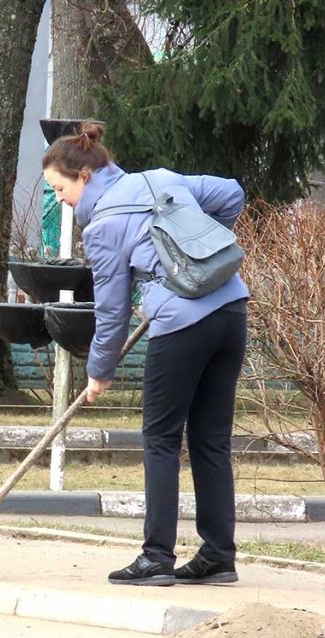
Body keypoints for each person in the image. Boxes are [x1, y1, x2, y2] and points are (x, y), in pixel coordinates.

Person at [42, 122, 248, 586]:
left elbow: (112, 310)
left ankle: (156, 557)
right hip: (231, 311)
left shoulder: (102, 227)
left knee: (160, 439)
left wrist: (99, 371)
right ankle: (218, 556)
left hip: (182, 326)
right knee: (210, 440)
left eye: (60, 188)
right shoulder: (161, 178)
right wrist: (199, 251)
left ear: (85, 177)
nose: (60, 198)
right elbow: (232, 193)